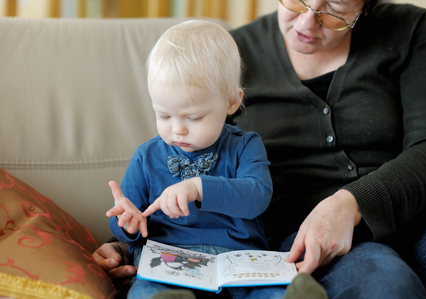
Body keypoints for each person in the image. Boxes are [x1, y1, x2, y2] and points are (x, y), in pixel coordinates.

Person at [95, 1, 426, 298]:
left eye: (336, 7)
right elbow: (164, 179)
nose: (308, 20)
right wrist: (122, 242)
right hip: (308, 235)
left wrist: (350, 203)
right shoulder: (230, 56)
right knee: (389, 287)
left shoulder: (409, 29)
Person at [105, 20, 301, 299]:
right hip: (170, 262)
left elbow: (257, 196)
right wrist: (127, 223)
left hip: (239, 262)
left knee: (272, 292)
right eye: (163, 115)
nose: (177, 129)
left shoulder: (246, 145)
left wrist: (199, 187)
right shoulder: (146, 157)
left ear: (231, 102)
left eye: (194, 117)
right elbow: (127, 227)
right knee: (147, 292)